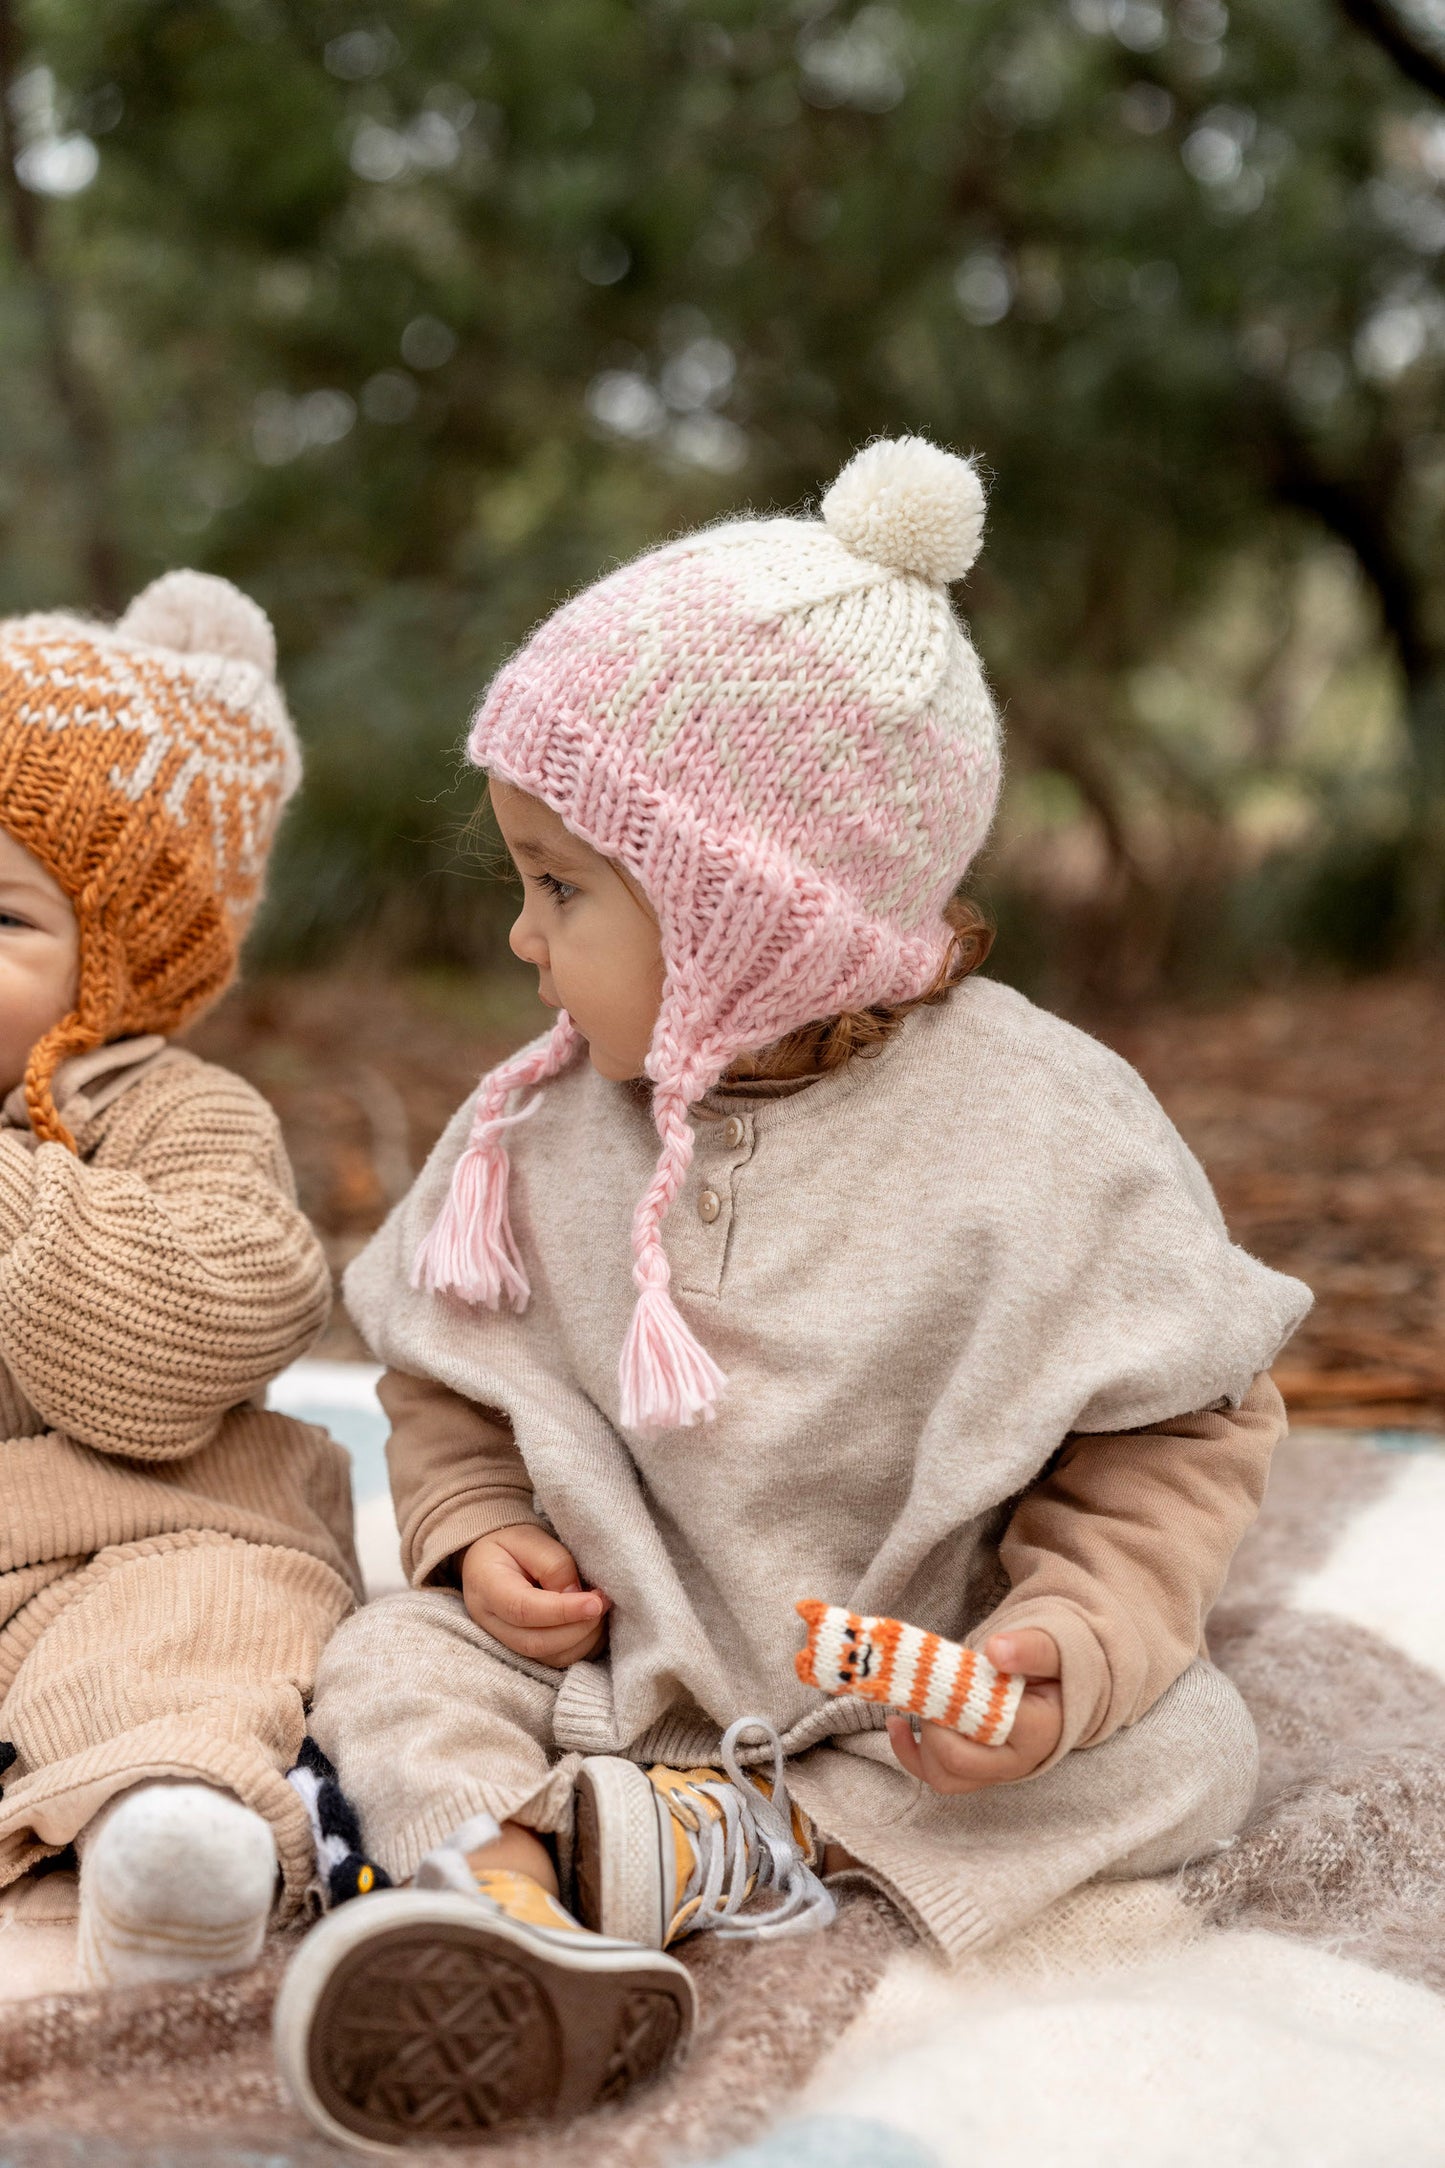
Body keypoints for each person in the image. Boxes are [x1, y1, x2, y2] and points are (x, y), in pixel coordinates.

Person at [276, 438, 1310, 2151]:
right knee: (386, 1656)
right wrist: (468, 1530)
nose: (522, 941)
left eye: (562, 889)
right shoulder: (529, 1123)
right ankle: (510, 1910)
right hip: (604, 1661)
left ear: (750, 917)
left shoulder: (1049, 1137)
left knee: (1181, 1746)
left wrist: (1055, 1652)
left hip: (901, 1699)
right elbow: (447, 1367)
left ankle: (732, 1846)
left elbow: (1172, 1440)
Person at [0, 572, 359, 1988]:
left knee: (211, 1633)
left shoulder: (180, 1115)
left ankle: (178, 1838)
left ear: (124, 966)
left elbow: (198, 1340)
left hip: (138, 1532)